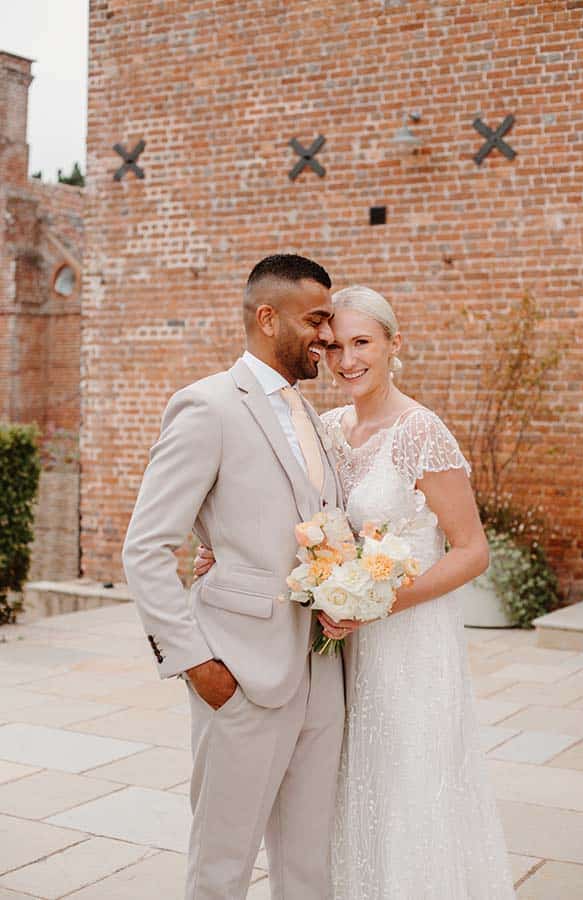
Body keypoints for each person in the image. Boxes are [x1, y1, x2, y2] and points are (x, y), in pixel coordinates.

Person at [196, 285, 516, 899]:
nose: (346, 360)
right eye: (334, 345)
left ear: (394, 344)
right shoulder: (327, 428)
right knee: (343, 798)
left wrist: (374, 604)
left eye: (362, 342)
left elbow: (473, 551)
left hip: (407, 645)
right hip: (339, 651)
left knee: (407, 790)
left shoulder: (421, 432)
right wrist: (225, 551)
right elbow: (293, 515)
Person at [122, 254, 345, 900]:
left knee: (308, 869)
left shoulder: (316, 420)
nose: (327, 336)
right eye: (317, 320)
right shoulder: (207, 406)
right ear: (267, 317)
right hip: (240, 677)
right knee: (222, 871)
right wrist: (197, 664)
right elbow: (146, 547)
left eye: (330, 321)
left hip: (320, 675)